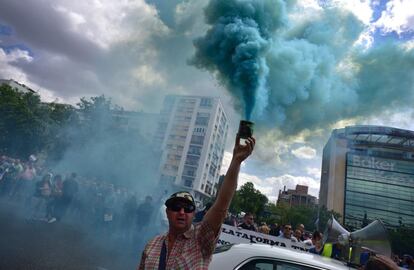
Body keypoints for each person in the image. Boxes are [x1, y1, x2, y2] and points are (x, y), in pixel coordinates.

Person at [138, 135, 255, 270]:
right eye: (176, 207)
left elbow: (221, 205)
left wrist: (236, 161)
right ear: (167, 212)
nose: (182, 212)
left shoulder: (200, 240)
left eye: (187, 208)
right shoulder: (152, 245)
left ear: (193, 214)